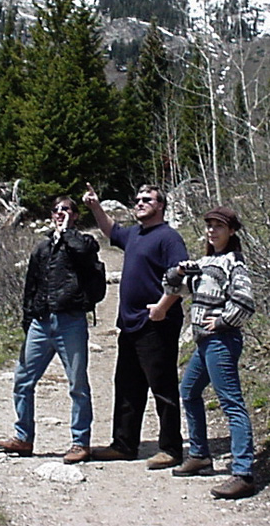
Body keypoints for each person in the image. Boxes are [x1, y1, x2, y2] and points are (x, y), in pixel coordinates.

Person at [82, 182, 189, 469]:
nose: (140, 203)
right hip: (130, 325)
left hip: (157, 324)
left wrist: (162, 307)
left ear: (160, 205)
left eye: (147, 199)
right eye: (138, 199)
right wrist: (95, 206)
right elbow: (111, 230)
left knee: (162, 386)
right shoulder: (134, 234)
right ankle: (124, 444)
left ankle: (171, 448)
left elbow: (183, 278)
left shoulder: (169, 238)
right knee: (127, 386)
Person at [0, 196, 101, 464]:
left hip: (71, 321)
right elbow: (31, 286)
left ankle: (80, 442)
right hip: (41, 323)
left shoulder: (82, 242)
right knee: (23, 379)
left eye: (66, 209)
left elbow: (84, 254)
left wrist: (66, 232)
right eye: (56, 210)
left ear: (75, 216)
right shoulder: (42, 248)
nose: (59, 213)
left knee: (77, 384)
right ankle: (23, 437)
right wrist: (27, 319)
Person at [163, 206, 256, 500]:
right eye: (209, 225)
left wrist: (222, 321)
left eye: (219, 226)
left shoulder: (234, 263)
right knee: (188, 392)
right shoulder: (204, 262)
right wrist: (177, 272)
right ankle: (201, 455)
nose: (212, 230)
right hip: (205, 344)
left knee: (231, 403)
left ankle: (243, 472)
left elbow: (245, 302)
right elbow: (172, 288)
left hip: (221, 341)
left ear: (231, 231)